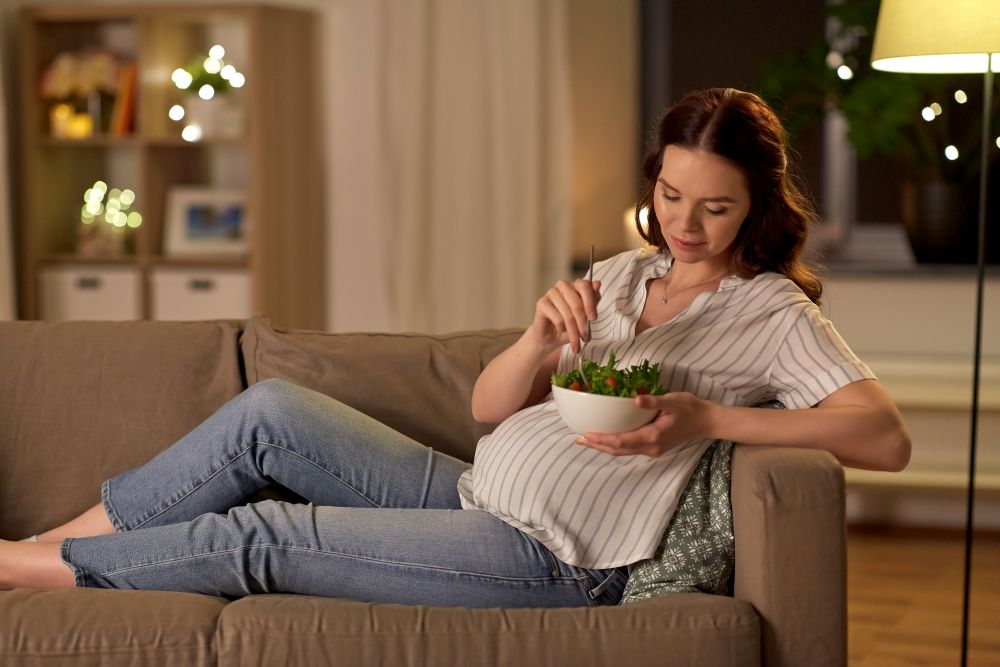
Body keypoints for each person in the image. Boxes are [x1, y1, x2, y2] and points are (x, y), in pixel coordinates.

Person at [0, 88, 910, 605]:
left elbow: (885, 436)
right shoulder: (624, 276)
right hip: (475, 485)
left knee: (261, 534)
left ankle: (21, 567)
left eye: (715, 206)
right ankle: (40, 547)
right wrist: (538, 336)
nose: (685, 223)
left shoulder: (772, 311)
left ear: (757, 204)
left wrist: (709, 418)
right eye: (671, 196)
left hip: (555, 554)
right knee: (269, 415)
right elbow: (486, 409)